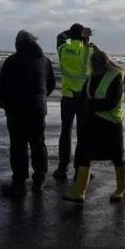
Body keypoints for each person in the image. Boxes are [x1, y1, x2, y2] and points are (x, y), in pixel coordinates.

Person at [63, 48, 125, 204]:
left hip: (111, 123)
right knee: (85, 153)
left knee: (117, 156)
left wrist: (88, 105)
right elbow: (86, 94)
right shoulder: (92, 76)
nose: (93, 69)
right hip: (92, 122)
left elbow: (111, 102)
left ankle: (122, 188)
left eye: (95, 65)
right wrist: (80, 98)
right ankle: (79, 193)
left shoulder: (115, 77)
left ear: (103, 64)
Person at [0, 30, 56, 196]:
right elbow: (51, 84)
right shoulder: (45, 61)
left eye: (16, 40)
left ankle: (19, 184)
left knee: (18, 147)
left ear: (20, 42)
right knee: (38, 145)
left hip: (17, 111)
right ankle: (39, 181)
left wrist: (3, 104)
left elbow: (3, 86)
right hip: (38, 110)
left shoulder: (12, 61)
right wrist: (41, 99)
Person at [53, 23, 93, 181]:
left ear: (71, 35)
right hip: (84, 99)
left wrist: (73, 33)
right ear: (83, 35)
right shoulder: (89, 51)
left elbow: (60, 37)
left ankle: (62, 169)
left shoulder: (63, 49)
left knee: (66, 133)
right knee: (83, 136)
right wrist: (86, 38)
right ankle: (80, 171)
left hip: (68, 97)